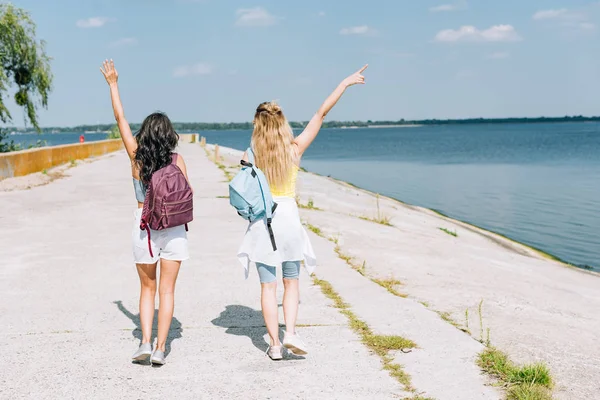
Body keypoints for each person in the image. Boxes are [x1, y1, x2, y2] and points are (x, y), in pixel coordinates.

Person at [238, 65, 368, 360]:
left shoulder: (249, 156)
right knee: (291, 281)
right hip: (289, 221)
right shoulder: (295, 150)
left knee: (267, 287)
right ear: (283, 124)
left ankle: (273, 345)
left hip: (263, 224)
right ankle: (291, 332)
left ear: (257, 126)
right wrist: (344, 83)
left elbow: (246, 194)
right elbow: (320, 113)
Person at [100, 59, 191, 365]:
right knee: (167, 291)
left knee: (147, 289)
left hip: (144, 229)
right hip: (175, 231)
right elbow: (187, 194)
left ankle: (144, 342)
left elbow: (120, 117)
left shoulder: (136, 158)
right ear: (169, 136)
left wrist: (113, 83)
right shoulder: (178, 161)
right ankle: (162, 349)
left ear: (145, 135)